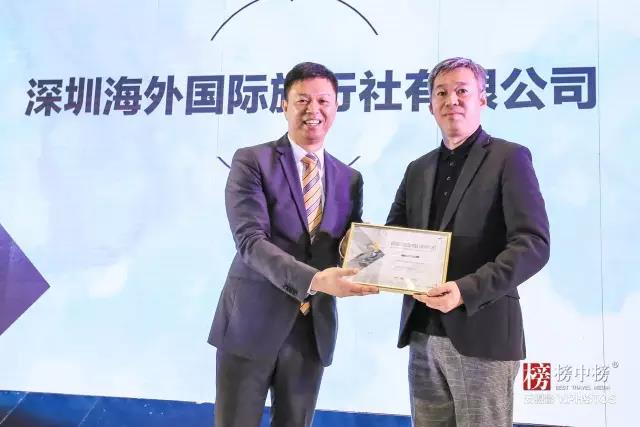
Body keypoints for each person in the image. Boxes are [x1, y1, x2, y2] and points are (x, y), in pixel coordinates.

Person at [208, 61, 379, 427]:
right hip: (251, 322)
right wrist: (315, 280)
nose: (313, 109)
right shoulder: (252, 161)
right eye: (302, 100)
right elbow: (250, 242)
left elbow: (348, 244)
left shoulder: (349, 178)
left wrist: (388, 260)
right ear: (284, 105)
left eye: (323, 100)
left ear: (336, 107)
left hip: (311, 332)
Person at [386, 57, 550, 426]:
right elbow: (394, 237)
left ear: (482, 100)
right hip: (422, 333)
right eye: (441, 93)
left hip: (482, 331)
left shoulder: (509, 158)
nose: (451, 100)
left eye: (462, 91)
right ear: (431, 105)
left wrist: (465, 290)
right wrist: (367, 260)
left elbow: (533, 244)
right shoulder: (417, 169)